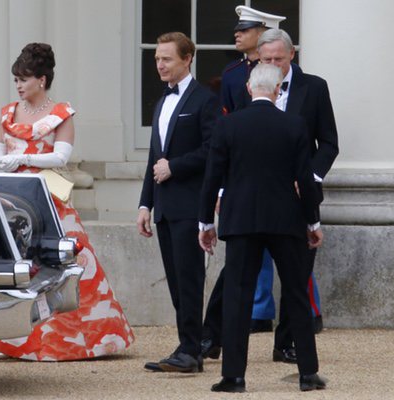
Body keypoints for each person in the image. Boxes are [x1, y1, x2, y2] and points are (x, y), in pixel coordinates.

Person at [0, 43, 134, 361]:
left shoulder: (61, 114)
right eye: (16, 80)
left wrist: (22, 158)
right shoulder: (7, 113)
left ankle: (80, 341)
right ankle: (13, 342)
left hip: (51, 196)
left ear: (41, 80)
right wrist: (4, 163)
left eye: (23, 79)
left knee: (66, 264)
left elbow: (62, 155)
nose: (18, 85)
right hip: (15, 198)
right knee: (19, 264)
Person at [202, 27, 339, 364]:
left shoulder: (315, 87)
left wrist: (308, 178)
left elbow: (329, 143)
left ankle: (288, 343)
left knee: (297, 276)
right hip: (247, 198)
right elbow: (225, 145)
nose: (274, 64)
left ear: (293, 55)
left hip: (297, 196)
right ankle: (211, 337)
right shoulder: (238, 82)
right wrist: (221, 190)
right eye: (267, 59)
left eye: (279, 58)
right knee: (233, 275)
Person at [137, 32, 219, 373]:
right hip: (165, 207)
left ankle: (190, 351)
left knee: (189, 280)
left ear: (187, 59)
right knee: (175, 281)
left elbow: (213, 149)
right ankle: (188, 345)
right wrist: (145, 204)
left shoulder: (205, 100)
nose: (159, 64)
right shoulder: (161, 102)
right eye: (157, 58)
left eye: (167, 58)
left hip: (190, 204)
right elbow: (154, 158)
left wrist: (176, 166)